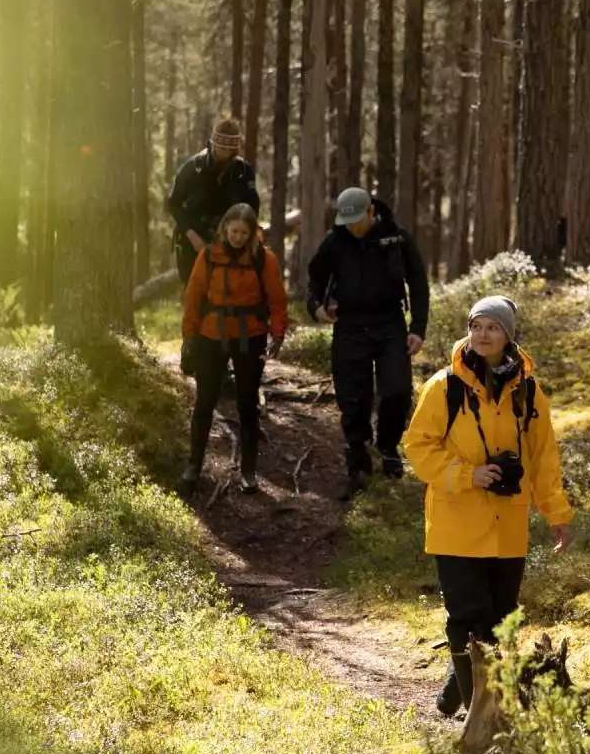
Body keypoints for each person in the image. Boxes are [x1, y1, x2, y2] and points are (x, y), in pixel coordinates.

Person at [400, 296, 573, 718]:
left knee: (499, 621)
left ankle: (454, 694)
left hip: (508, 524)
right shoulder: (444, 386)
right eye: (476, 325)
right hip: (454, 521)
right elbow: (417, 446)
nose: (482, 334)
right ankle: (483, 713)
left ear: (508, 336)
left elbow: (543, 456)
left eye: (492, 327)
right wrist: (466, 475)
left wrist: (557, 513)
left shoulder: (529, 391)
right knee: (466, 618)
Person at [306, 186, 429, 498]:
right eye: (348, 222)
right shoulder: (335, 242)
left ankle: (388, 446)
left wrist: (418, 327)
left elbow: (418, 282)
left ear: (372, 212)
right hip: (348, 325)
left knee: (397, 390)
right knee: (352, 395)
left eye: (358, 221)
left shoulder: (396, 238)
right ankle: (358, 458)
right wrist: (316, 307)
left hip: (390, 323)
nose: (353, 227)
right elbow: (315, 278)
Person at [180, 203, 289, 494]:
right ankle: (194, 465)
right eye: (234, 231)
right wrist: (189, 336)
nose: (238, 237)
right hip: (210, 335)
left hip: (250, 335)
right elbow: (193, 296)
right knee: (204, 401)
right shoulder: (207, 256)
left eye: (244, 232)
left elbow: (278, 300)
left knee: (247, 404)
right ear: (225, 228)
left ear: (253, 232)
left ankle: (249, 470)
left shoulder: (265, 260)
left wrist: (277, 335)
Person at [167, 119, 261, 278]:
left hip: (231, 240)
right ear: (213, 143)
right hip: (193, 238)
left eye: (230, 149)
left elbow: (252, 206)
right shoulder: (193, 168)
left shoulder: (243, 171)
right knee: (194, 291)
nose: (224, 152)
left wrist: (248, 235)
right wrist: (192, 235)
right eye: (221, 147)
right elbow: (173, 203)